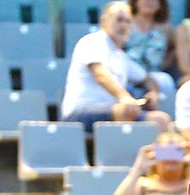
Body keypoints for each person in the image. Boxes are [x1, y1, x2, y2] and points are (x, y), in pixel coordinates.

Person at [61, 2, 171, 131]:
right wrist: (124, 97)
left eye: (128, 21)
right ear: (104, 21)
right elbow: (100, 75)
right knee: (128, 111)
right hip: (79, 113)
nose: (124, 25)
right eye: (119, 20)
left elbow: (147, 78)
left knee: (162, 119)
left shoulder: (121, 56)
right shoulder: (93, 41)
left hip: (111, 112)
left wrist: (153, 93)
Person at [125, 0, 177, 112]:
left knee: (165, 80)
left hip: (154, 73)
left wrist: (166, 61)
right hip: (129, 73)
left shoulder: (165, 29)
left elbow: (175, 48)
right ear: (135, 2)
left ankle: (164, 116)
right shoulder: (126, 24)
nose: (150, 2)